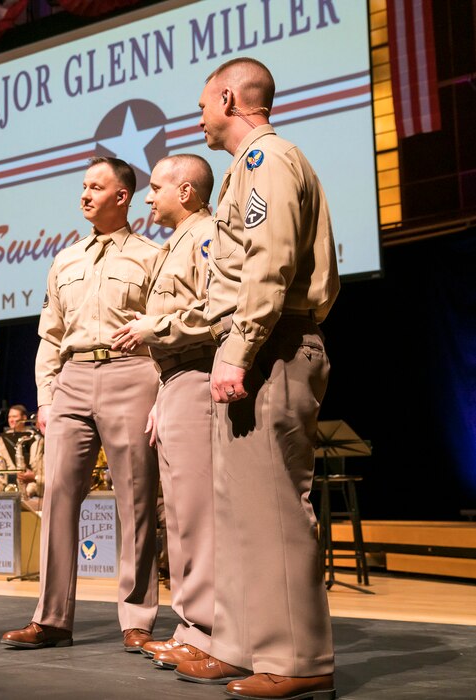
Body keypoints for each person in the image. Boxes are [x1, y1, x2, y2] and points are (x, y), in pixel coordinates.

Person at [172, 57, 339, 700]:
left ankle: (299, 659)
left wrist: (238, 350)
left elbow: (268, 265)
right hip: (255, 347)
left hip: (274, 345)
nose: (200, 116)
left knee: (274, 510)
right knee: (239, 513)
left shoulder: (267, 160)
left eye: (203, 104)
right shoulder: (247, 169)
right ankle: (242, 646)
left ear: (229, 97)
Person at [2, 156, 162, 652]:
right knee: (57, 497)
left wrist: (161, 391)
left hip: (130, 372)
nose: (85, 195)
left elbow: (164, 333)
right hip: (72, 377)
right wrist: (46, 398)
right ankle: (51, 619)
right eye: (83, 186)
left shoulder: (152, 255)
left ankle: (136, 619)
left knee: (134, 499)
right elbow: (49, 336)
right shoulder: (65, 259)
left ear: (123, 196)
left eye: (97, 186)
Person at [110, 154, 218, 669]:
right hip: (175, 380)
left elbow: (219, 310)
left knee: (196, 516)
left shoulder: (207, 237)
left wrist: (156, 330)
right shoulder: (175, 245)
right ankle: (192, 625)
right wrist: (160, 392)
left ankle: (205, 630)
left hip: (199, 374)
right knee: (177, 516)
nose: (147, 197)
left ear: (188, 193)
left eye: (155, 188)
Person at [0, 404, 44, 502]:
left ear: (24, 418)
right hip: (12, 479)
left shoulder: (34, 437)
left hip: (33, 482)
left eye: (15, 417)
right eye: (9, 417)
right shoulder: (4, 437)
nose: (11, 420)